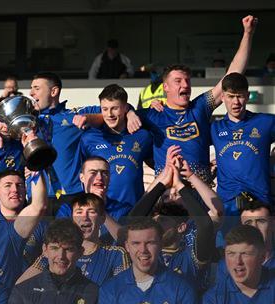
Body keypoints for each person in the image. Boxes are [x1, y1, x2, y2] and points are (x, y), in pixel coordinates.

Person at [134, 15, 257, 182]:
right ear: (166, 87)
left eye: (187, 80)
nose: (185, 85)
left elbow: (233, 75)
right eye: (178, 81)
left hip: (200, 192)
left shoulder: (199, 107)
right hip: (169, 194)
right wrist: (128, 112)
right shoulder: (152, 115)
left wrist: (248, 33)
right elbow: (112, 112)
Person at [30, 72, 140, 211]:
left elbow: (114, 105)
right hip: (36, 196)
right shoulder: (26, 119)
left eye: (36, 88)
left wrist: (130, 113)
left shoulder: (73, 115)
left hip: (70, 195)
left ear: (54, 91)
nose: (31, 93)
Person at [128, 150, 217, 289]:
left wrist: (181, 183)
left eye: (162, 221)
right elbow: (133, 219)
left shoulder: (191, 255)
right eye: (154, 221)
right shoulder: (144, 253)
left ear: (181, 227)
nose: (156, 225)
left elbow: (207, 224)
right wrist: (164, 178)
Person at [18, 193, 129, 286]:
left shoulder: (116, 254)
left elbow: (126, 291)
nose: (84, 217)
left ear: (102, 219)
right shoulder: (56, 252)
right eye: (79, 212)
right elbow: (20, 285)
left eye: (91, 212)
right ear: (72, 219)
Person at [81, 84, 153, 219]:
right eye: (105, 109)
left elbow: (156, 163)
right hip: (101, 211)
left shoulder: (142, 136)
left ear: (126, 108)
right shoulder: (89, 138)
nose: (109, 114)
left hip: (135, 211)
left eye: (114, 108)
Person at [211, 72, 275, 218]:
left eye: (240, 96)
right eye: (231, 96)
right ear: (222, 97)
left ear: (247, 96)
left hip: (260, 204)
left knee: (260, 241)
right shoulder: (214, 128)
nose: (236, 102)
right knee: (228, 241)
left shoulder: (265, 122)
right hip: (227, 206)